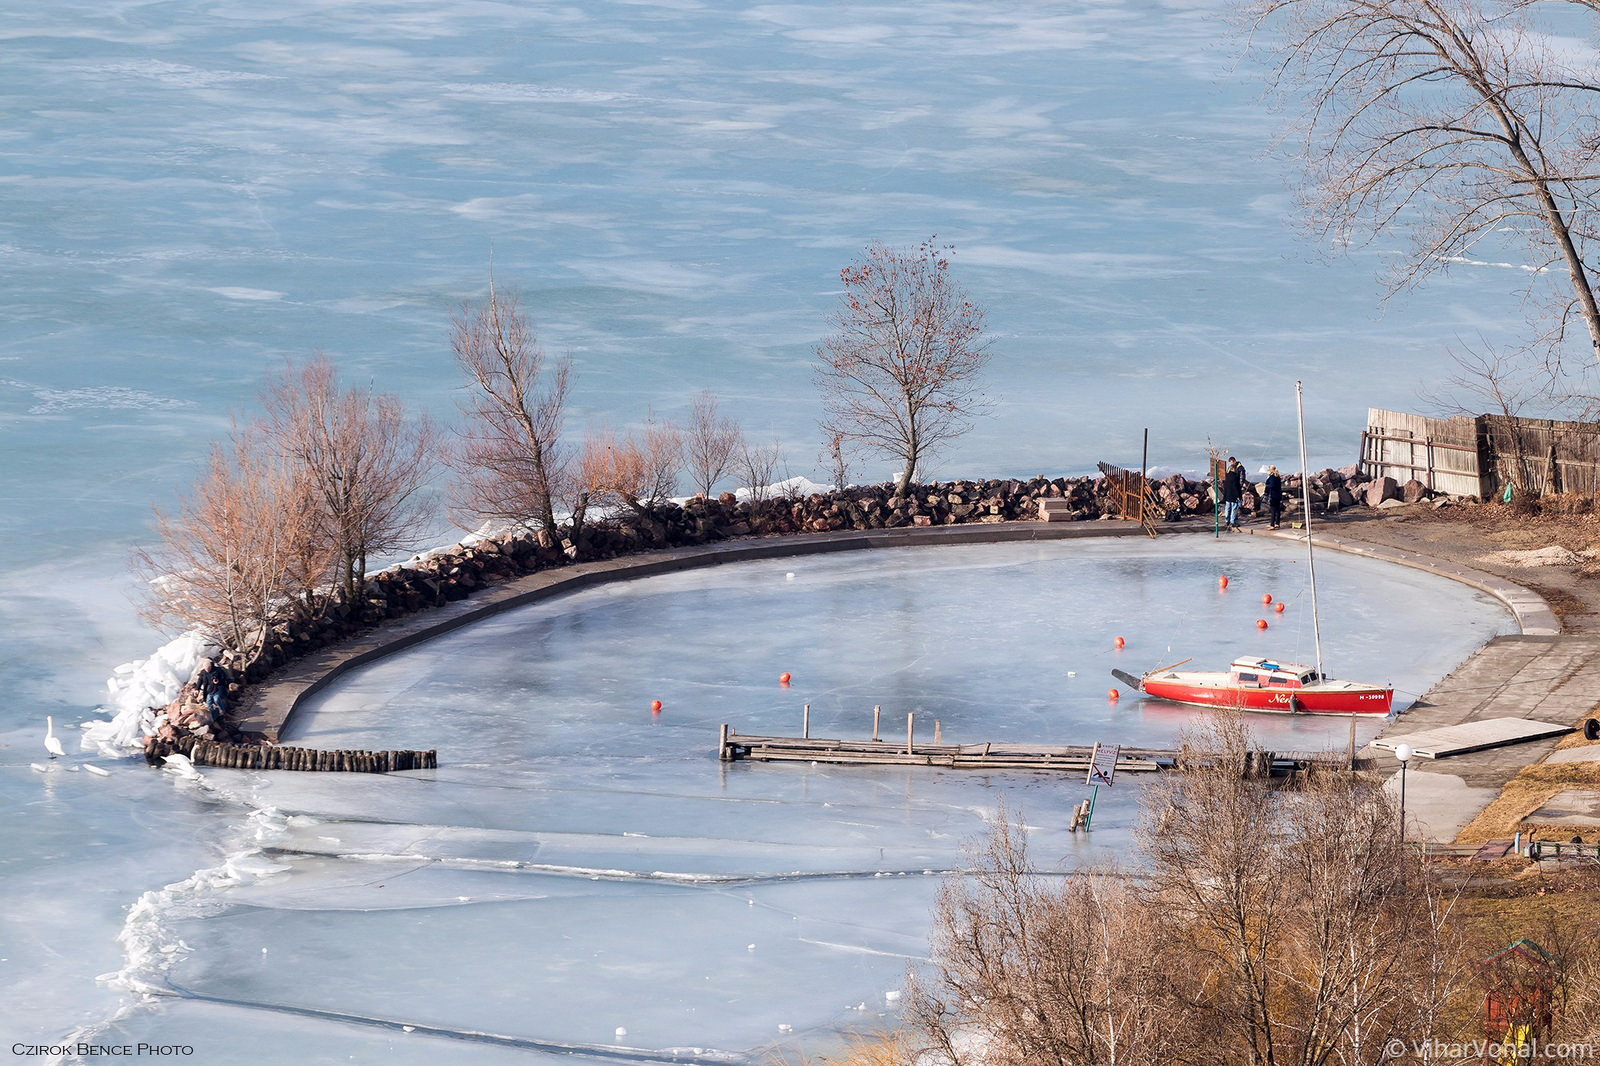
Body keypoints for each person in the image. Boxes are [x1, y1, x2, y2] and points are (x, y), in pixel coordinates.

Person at [196, 658, 228, 723]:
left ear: (210, 667)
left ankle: (222, 710)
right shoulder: (203, 672)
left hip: (218, 688)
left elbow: (224, 677)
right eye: (206, 669)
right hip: (209, 690)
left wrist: (218, 681)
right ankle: (214, 715)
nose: (207, 670)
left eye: (208, 669)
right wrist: (197, 689)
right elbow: (200, 681)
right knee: (209, 702)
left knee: (216, 699)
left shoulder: (218, 670)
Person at [1222, 457, 1244, 528]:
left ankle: (1227, 520)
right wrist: (1238, 496)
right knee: (1234, 508)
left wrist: (1224, 495)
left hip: (1228, 494)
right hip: (1233, 495)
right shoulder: (1235, 478)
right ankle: (1232, 521)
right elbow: (1236, 487)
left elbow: (1225, 486)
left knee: (1227, 507)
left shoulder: (1226, 477)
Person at [1264, 465, 1284, 529]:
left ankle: (1272, 524)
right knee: (1277, 510)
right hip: (1278, 494)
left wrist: (1267, 486)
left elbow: (1272, 485)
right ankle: (1277, 523)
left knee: (1273, 510)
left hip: (1273, 495)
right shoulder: (1277, 477)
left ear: (1270, 470)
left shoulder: (1272, 477)